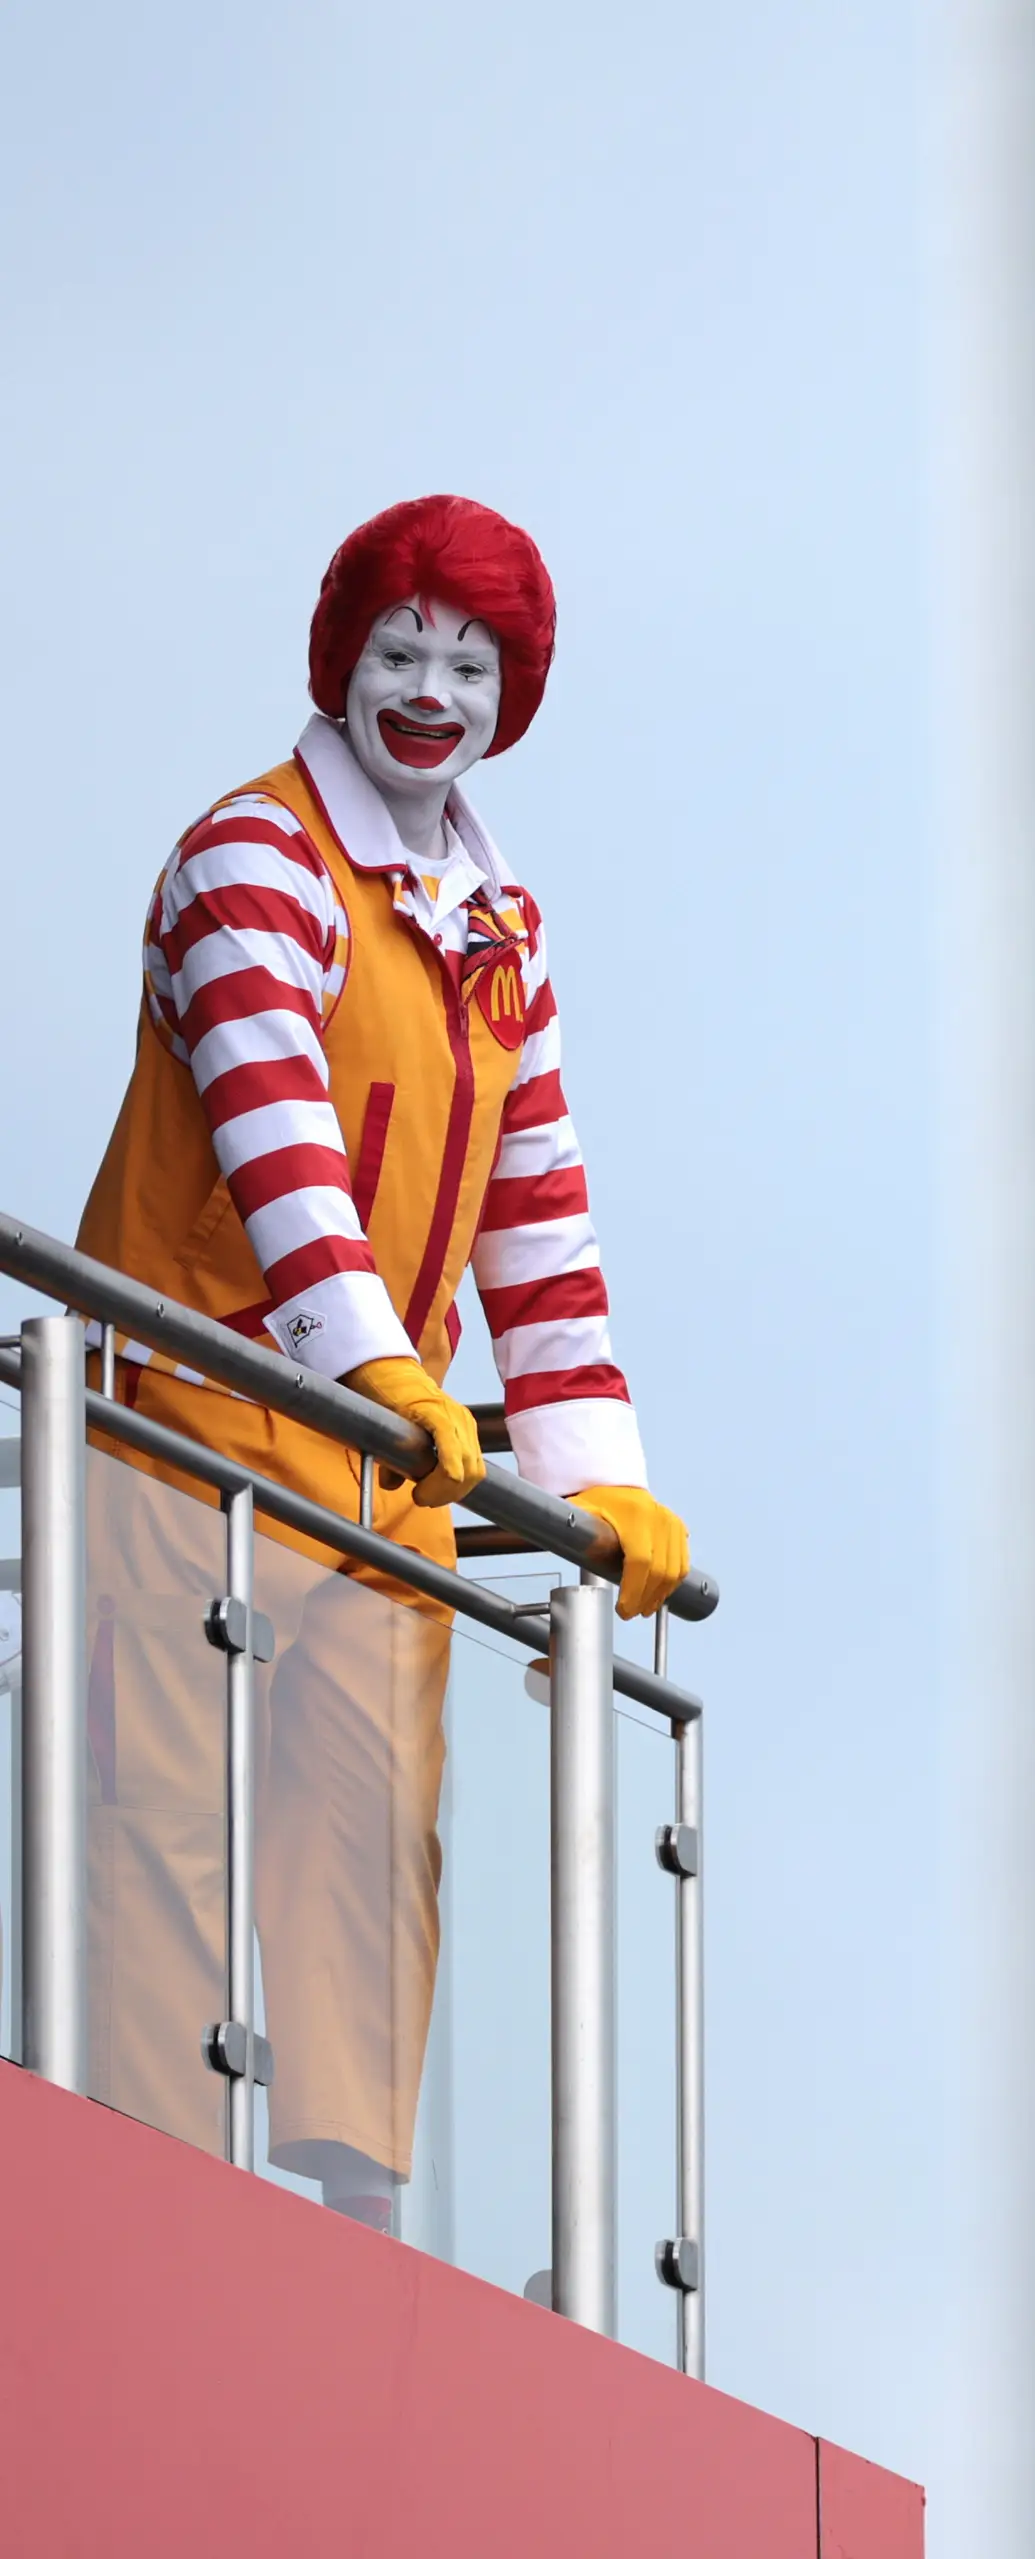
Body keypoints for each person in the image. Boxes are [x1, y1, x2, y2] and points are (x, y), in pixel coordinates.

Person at [70, 496, 691, 2231]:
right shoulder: (250, 859)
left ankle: (356, 2221)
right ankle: (152, 2202)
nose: (431, 689)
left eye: (470, 660)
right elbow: (282, 1153)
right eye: (402, 651)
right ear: (341, 661)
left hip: (380, 1465)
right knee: (163, 1818)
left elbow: (539, 1222)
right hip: (190, 1425)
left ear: (516, 688)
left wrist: (592, 1480)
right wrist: (372, 1366)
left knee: (375, 1841)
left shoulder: (500, 933)